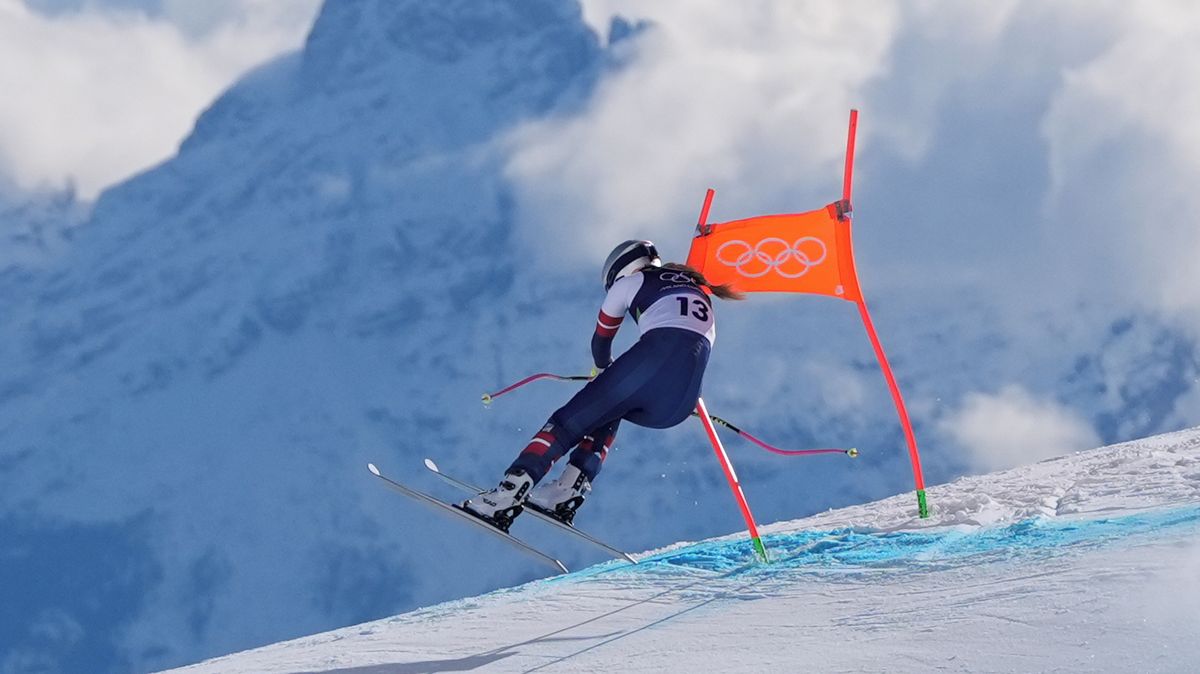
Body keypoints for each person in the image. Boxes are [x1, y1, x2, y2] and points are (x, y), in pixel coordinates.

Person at [462, 239, 744, 530]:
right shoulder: (699, 290)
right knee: (608, 408)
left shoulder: (633, 282)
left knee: (566, 423)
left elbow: (601, 340)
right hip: (680, 405)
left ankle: (506, 497)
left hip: (650, 366)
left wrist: (602, 371)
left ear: (621, 268)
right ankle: (568, 490)